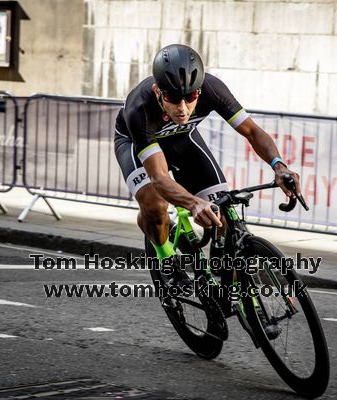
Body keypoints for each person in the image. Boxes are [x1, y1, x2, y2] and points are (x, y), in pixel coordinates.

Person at [114, 44, 301, 286]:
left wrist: (279, 165)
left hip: (182, 139)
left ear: (199, 91)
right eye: (172, 98)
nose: (183, 109)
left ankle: (232, 288)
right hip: (134, 143)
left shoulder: (213, 88)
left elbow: (253, 132)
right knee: (154, 204)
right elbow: (159, 177)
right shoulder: (139, 107)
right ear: (158, 92)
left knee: (222, 211)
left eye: (190, 97)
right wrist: (193, 203)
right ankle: (165, 257)